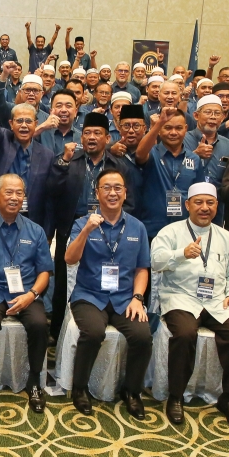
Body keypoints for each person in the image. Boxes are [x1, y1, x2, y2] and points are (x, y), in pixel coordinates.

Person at [151, 182, 229, 430]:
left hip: (217, 300)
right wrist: (181, 253)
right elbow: (156, 261)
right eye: (199, 202)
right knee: (184, 334)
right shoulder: (170, 232)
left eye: (210, 203)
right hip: (180, 297)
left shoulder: (226, 237)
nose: (204, 208)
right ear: (187, 205)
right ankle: (176, 396)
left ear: (217, 206)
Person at [66, 168, 152, 419]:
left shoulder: (137, 227)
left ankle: (132, 391)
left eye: (118, 188)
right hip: (89, 295)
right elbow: (69, 259)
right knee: (93, 332)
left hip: (125, 297)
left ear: (125, 193)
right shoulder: (83, 223)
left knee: (142, 335)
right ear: (97, 193)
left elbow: (142, 269)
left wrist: (138, 298)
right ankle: (80, 389)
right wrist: (86, 231)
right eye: (106, 188)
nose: (112, 193)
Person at [0, 174, 52, 413]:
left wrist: (31, 295)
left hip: (25, 290)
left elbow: (45, 272)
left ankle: (34, 381)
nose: (14, 198)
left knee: (38, 324)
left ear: (24, 197)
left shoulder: (35, 231)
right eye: (9, 192)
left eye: (19, 193)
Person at [46, 113, 130, 337]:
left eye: (97, 133)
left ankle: (92, 324)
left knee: (95, 276)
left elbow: (129, 201)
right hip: (71, 228)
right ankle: (57, 333)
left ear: (107, 139)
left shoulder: (118, 165)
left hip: (107, 229)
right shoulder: (69, 160)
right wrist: (62, 162)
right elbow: (52, 191)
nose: (91, 137)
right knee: (63, 282)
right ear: (81, 137)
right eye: (87, 133)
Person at [0, 82, 53, 237]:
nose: (24, 126)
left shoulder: (46, 155)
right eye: (19, 121)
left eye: (28, 121)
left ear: (36, 124)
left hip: (31, 220)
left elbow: (48, 199)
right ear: (11, 124)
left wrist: (47, 233)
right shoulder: (3, 140)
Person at [134, 107, 205, 239]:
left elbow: (198, 194)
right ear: (160, 130)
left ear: (186, 129)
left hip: (184, 230)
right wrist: (159, 123)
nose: (173, 132)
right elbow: (139, 154)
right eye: (167, 128)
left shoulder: (194, 159)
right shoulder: (152, 153)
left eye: (178, 128)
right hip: (152, 229)